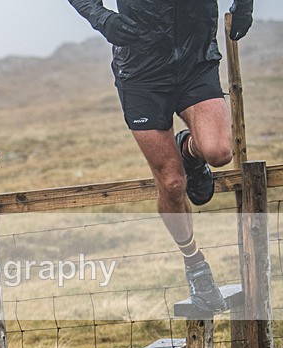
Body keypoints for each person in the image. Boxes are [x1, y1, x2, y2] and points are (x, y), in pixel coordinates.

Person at [67, 0, 254, 312]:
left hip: (196, 60)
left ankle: (189, 150)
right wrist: (102, 18)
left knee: (219, 152)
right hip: (142, 73)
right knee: (171, 182)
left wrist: (245, 6)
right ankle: (196, 267)